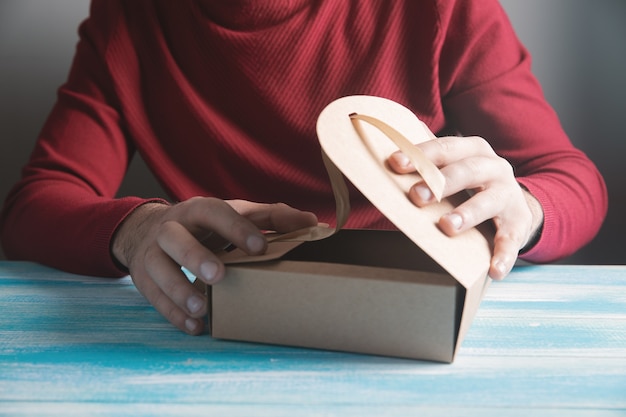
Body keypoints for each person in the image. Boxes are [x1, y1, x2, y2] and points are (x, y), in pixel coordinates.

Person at [0, 1, 607, 335]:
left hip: (414, 324)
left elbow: (570, 178)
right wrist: (135, 230)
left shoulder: (444, 9)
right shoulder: (129, 20)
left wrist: (524, 208)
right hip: (221, 323)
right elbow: (35, 206)